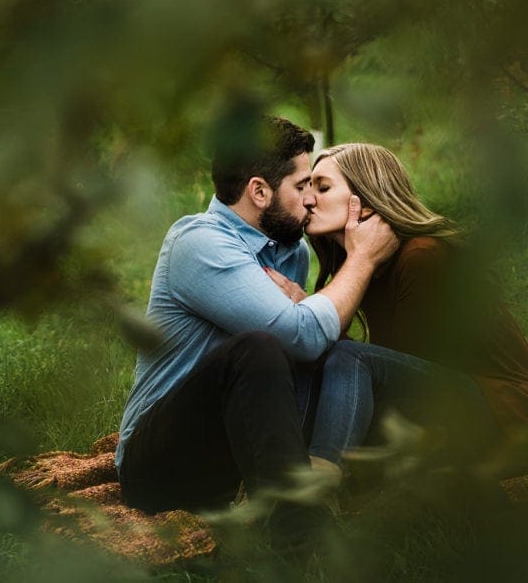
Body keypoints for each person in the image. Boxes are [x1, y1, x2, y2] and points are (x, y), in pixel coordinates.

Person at [114, 118, 398, 537]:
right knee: (258, 349)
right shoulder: (199, 244)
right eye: (302, 186)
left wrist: (308, 306)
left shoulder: (291, 251)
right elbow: (300, 336)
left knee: (337, 360)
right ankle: (297, 532)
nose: (310, 202)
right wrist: (362, 261)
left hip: (234, 446)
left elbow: (310, 344)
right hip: (159, 464)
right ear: (259, 191)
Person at [291, 142, 528, 464]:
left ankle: (322, 477)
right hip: (446, 402)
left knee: (347, 359)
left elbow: (407, 370)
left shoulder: (422, 257)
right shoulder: (367, 265)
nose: (307, 199)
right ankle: (294, 472)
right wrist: (311, 308)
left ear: (367, 202)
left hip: (506, 412)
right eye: (307, 187)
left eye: (323, 187)